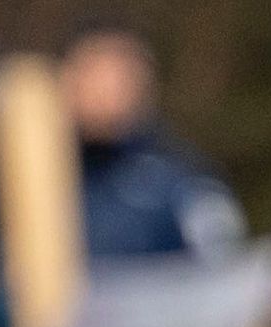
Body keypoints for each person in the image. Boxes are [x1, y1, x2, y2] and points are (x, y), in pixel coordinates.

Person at [55, 21, 242, 265]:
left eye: (113, 77)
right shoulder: (33, 175)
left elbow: (221, 272)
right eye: (87, 74)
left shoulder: (182, 183)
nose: (98, 92)